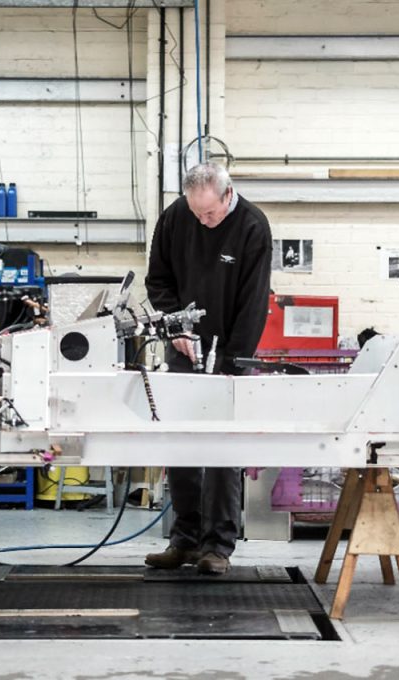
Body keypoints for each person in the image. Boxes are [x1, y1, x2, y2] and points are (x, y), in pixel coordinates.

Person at [144, 163, 272, 575]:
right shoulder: (176, 217)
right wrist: (175, 326)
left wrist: (234, 361)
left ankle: (217, 546)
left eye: (210, 213)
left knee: (222, 449)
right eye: (196, 212)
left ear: (228, 194)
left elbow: (254, 302)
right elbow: (158, 280)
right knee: (181, 443)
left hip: (230, 352)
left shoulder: (252, 226)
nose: (203, 221)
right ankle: (185, 539)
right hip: (184, 346)